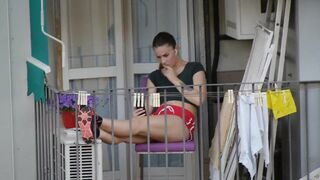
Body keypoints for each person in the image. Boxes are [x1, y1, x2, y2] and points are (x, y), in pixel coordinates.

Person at [77, 32, 207, 144]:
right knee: (124, 136)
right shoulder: (155, 76)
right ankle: (96, 132)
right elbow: (151, 106)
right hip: (158, 119)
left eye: (166, 55)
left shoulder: (194, 68)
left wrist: (174, 79)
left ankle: (95, 120)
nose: (162, 61)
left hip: (181, 121)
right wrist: (140, 112)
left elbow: (199, 99)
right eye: (158, 57)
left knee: (139, 125)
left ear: (176, 50)